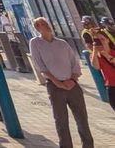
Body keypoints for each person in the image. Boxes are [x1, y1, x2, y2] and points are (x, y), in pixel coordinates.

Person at [29, 16, 94, 148]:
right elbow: (40, 65)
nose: (45, 25)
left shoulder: (62, 43)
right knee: (61, 121)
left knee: (82, 119)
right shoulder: (35, 43)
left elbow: (74, 62)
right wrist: (56, 81)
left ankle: (88, 145)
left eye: (45, 22)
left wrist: (73, 79)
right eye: (41, 24)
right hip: (55, 86)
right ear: (37, 28)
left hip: (72, 85)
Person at [88, 28, 115, 112]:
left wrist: (107, 55)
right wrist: (95, 51)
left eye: (102, 39)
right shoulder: (95, 55)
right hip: (111, 86)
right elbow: (96, 67)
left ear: (107, 40)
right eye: (97, 41)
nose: (101, 42)